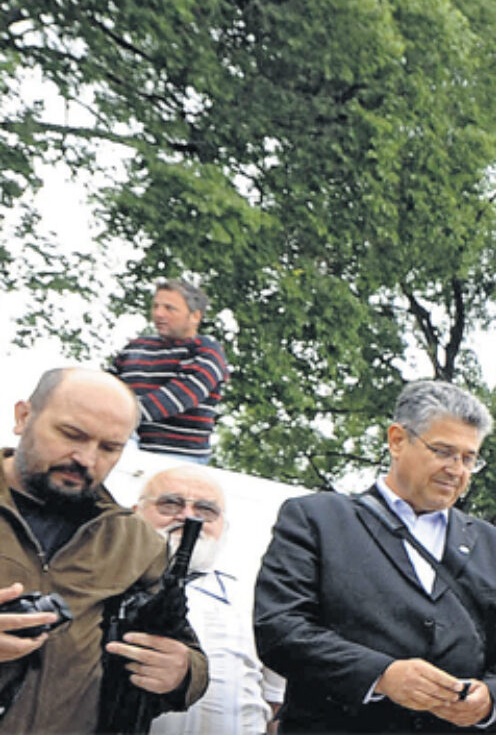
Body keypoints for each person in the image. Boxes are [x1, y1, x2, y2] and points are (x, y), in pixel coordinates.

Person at [255, 380, 496, 732]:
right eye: (443, 451)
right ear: (397, 440)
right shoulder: (316, 519)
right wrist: (382, 676)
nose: (457, 470)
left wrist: (492, 699)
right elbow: (280, 628)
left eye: (469, 458)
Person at [0, 368, 209, 733]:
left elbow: (183, 651)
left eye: (110, 447)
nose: (86, 458)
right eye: (71, 435)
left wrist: (181, 671)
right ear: (23, 417)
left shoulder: (135, 543)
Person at [136, 466, 284, 735]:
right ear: (136, 512)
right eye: (170, 504)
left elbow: (276, 701)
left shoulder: (256, 599)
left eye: (206, 510)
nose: (188, 517)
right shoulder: (103, 585)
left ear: (223, 527)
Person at [110, 278, 230, 463]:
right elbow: (107, 389)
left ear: (195, 316)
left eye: (169, 308)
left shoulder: (206, 351)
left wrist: (121, 416)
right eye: (156, 306)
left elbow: (180, 395)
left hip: (177, 456)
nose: (159, 314)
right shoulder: (134, 348)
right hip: (121, 442)